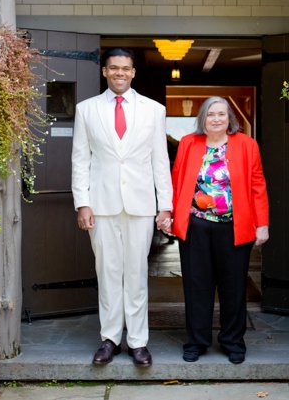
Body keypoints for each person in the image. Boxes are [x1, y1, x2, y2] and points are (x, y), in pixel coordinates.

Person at [71, 47, 173, 367]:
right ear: (104, 71)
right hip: (101, 205)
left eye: (125, 68)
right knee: (108, 272)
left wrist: (165, 205)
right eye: (113, 68)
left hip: (141, 205)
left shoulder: (153, 110)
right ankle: (110, 339)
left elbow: (160, 161)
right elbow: (80, 160)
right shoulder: (86, 109)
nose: (119, 73)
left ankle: (138, 342)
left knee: (137, 273)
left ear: (133, 73)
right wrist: (82, 203)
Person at [171, 96, 269, 364]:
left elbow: (257, 184)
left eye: (221, 114)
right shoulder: (189, 143)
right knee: (196, 286)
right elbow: (177, 180)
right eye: (211, 114)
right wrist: (169, 214)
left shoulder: (246, 145)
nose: (216, 119)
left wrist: (262, 224)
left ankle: (233, 341)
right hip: (196, 227)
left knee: (233, 287)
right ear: (203, 118)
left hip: (233, 227)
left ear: (230, 119)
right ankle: (196, 341)